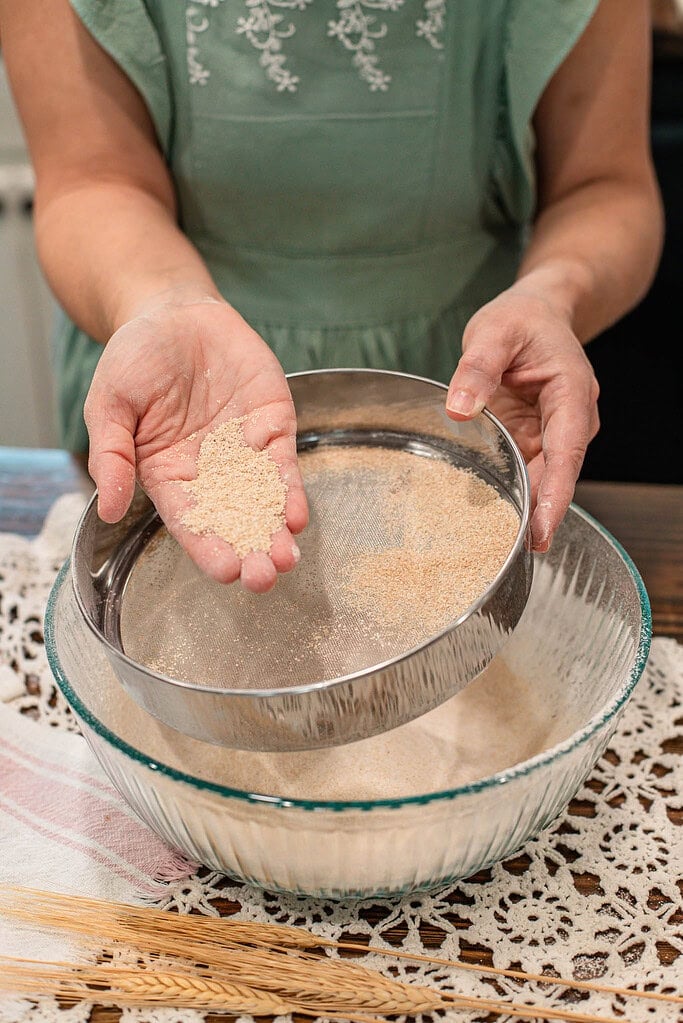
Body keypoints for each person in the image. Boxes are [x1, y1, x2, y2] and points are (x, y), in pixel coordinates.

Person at [0, 0, 663, 593]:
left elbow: (602, 187)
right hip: (190, 399)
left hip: (464, 394)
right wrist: (161, 301)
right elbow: (93, 183)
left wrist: (552, 293)